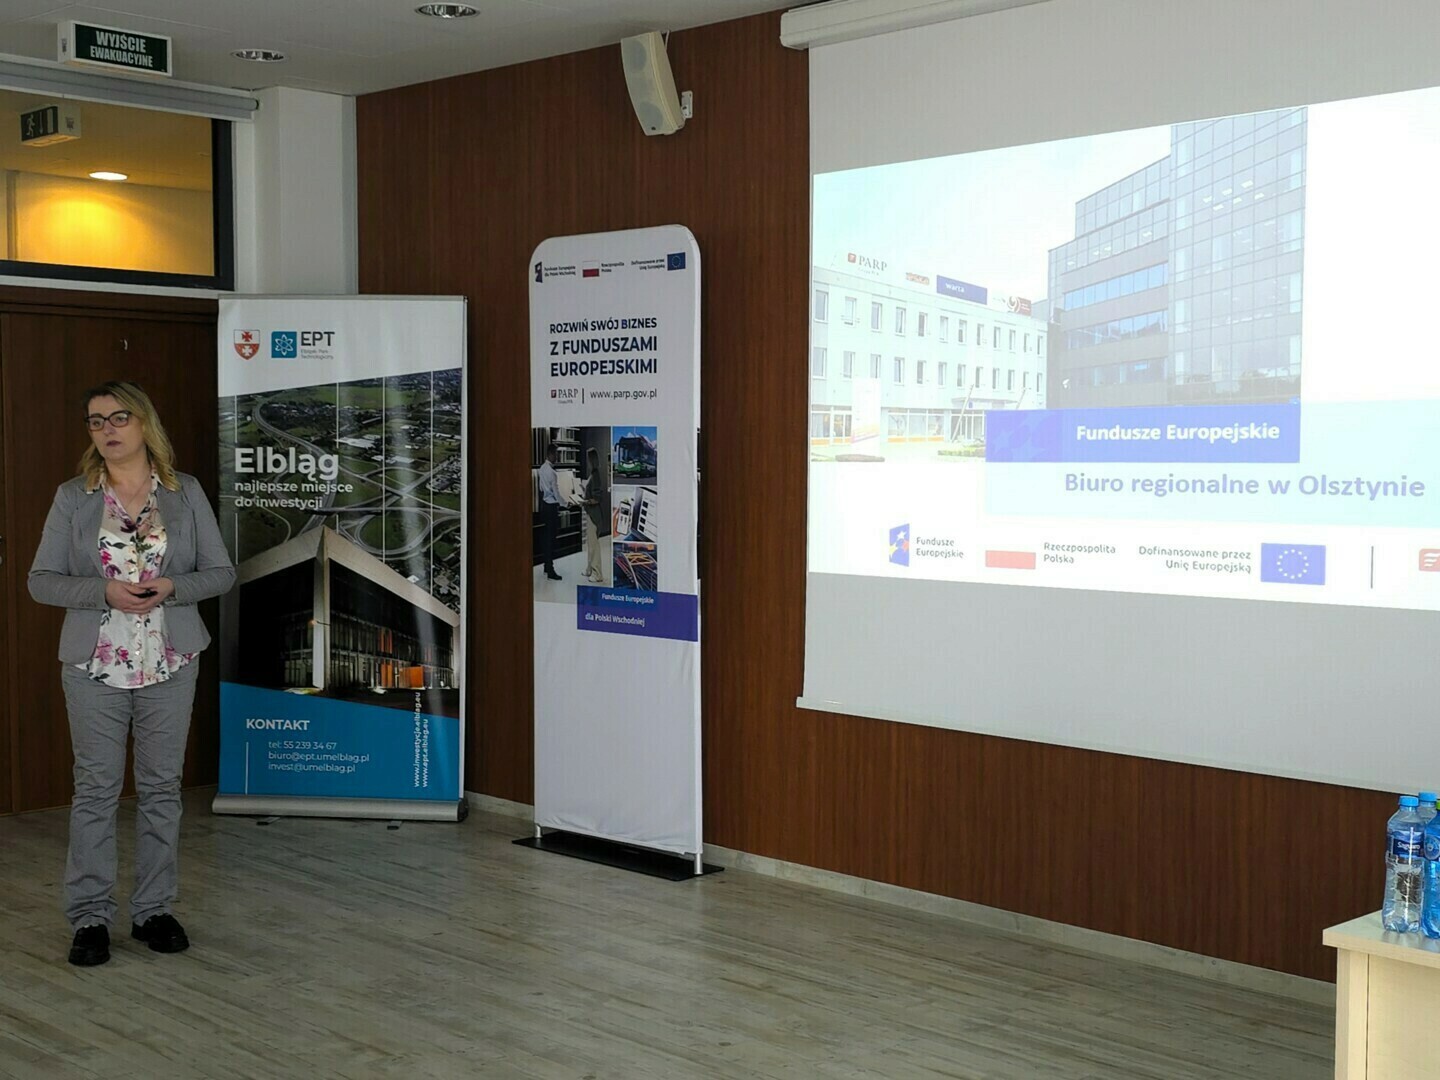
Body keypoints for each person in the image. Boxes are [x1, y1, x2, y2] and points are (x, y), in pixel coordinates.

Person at [28, 381, 235, 967]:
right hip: (94, 664)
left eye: (119, 417)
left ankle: (153, 911)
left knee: (162, 789)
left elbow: (220, 572)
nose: (107, 429)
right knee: (95, 791)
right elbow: (41, 581)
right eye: (96, 421)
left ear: (144, 423)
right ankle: (90, 917)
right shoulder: (73, 497)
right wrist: (103, 592)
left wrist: (171, 586)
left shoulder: (184, 491)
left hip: (171, 660)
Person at [581, 446, 607, 583]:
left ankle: (598, 574)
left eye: (588, 459)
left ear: (591, 460)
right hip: (591, 512)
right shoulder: (593, 474)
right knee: (590, 543)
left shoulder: (595, 475)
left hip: (594, 515)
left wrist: (585, 501)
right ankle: (589, 569)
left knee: (594, 545)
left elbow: (597, 498)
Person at [537, 442, 562, 581]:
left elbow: (541, 488)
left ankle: (547, 566)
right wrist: (566, 503)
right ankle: (550, 570)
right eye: (556, 454)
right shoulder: (552, 473)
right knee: (551, 539)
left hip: (544, 506)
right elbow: (556, 493)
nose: (558, 457)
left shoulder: (541, 468)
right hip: (552, 508)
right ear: (551, 454)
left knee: (546, 538)